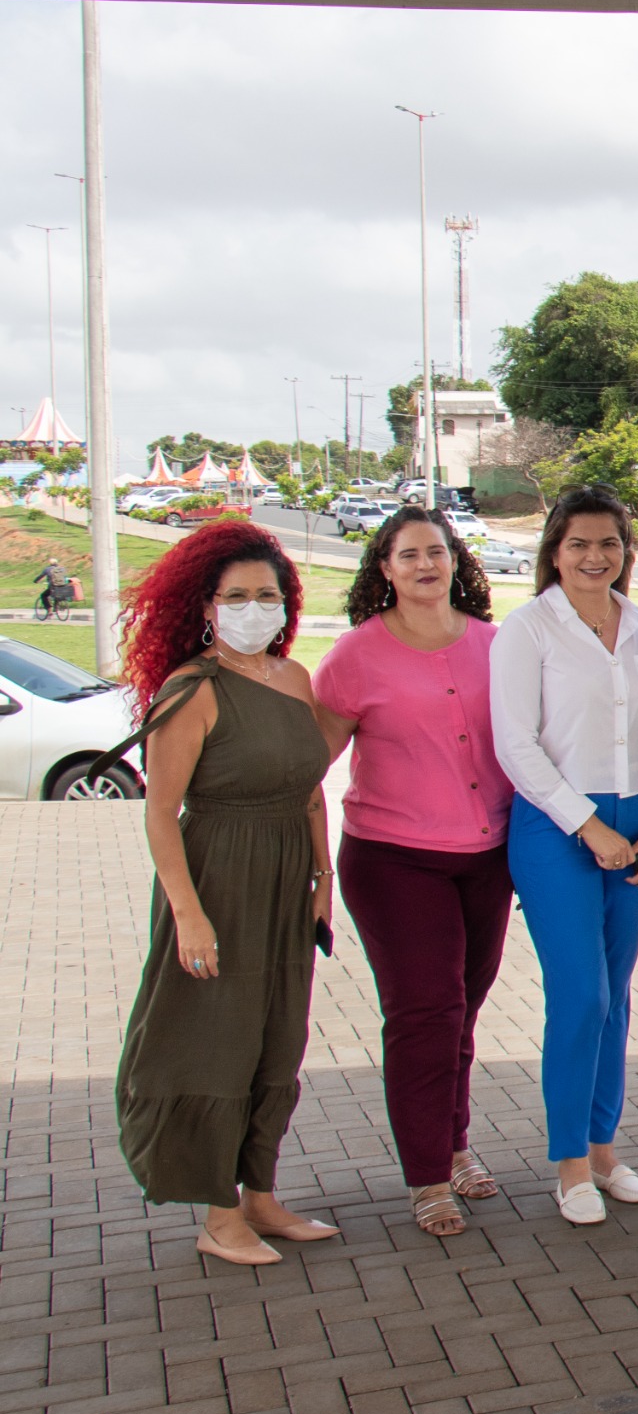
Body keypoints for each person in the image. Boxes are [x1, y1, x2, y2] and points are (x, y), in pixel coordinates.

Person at [112, 519, 339, 1266]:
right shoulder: (193, 689)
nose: (253, 608)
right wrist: (188, 914)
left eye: (266, 594)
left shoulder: (294, 679)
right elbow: (159, 811)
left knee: (279, 1035)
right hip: (220, 874)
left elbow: (310, 791)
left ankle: (261, 1197)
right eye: (235, 595)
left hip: (285, 878)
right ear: (206, 606)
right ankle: (218, 1214)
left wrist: (322, 877)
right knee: (219, 1039)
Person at [313, 507, 514, 1237]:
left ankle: (456, 1146)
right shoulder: (355, 657)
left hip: (487, 860)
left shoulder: (497, 645)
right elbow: (310, 766)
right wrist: (309, 869)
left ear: (457, 562)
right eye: (409, 555)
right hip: (393, 861)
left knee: (462, 1010)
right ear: (384, 570)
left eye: (438, 551)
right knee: (424, 1013)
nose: (427, 564)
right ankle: (426, 1177)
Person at [491, 488, 638, 1224]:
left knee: (618, 995)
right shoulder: (527, 631)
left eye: (610, 543)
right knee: (582, 996)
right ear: (553, 550)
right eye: (579, 544)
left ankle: (605, 1151)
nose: (595, 557)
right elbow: (516, 745)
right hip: (557, 827)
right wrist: (586, 826)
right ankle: (569, 1162)